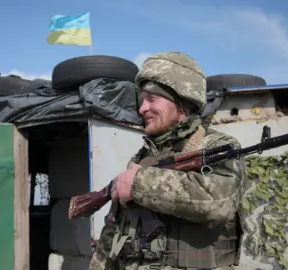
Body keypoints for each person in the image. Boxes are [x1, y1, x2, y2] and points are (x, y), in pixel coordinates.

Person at [88, 52, 246, 270]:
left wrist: (138, 184)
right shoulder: (141, 158)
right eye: (142, 100)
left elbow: (219, 202)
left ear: (182, 104)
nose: (142, 108)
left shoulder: (218, 147)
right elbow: (112, 233)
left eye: (152, 99)